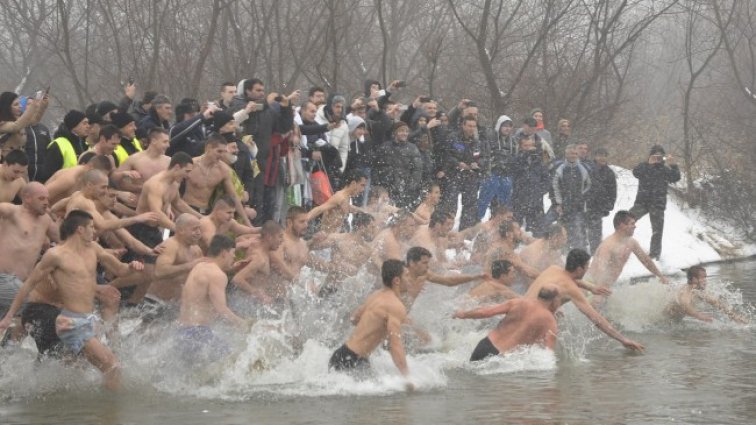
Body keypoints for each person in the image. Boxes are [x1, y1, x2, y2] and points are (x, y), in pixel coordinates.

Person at [0, 210, 145, 390]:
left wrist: (132, 266)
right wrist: (9, 316)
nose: (95, 231)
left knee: (75, 366)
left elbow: (121, 270)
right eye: (91, 227)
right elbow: (28, 285)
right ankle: (109, 413)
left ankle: (38, 393)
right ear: (80, 230)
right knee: (112, 367)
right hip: (64, 319)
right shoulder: (56, 255)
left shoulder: (94, 249)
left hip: (84, 319)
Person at [524, 249, 645, 352]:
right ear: (579, 269)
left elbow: (567, 279)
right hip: (532, 323)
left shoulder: (553, 269)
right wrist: (623, 339)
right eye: (587, 266)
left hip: (520, 309)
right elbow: (596, 318)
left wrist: (590, 287)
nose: (588, 269)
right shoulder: (571, 289)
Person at [329, 259, 414, 391]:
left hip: (342, 355)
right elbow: (395, 345)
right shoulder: (396, 306)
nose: (410, 279)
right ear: (397, 281)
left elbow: (354, 318)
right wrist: (408, 378)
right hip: (351, 362)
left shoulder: (376, 295)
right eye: (407, 275)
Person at [176, 234, 248, 362]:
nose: (234, 256)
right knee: (234, 361)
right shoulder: (218, 275)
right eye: (233, 253)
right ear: (224, 253)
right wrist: (244, 325)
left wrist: (232, 268)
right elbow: (221, 309)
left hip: (182, 331)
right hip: (198, 333)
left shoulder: (200, 266)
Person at [0, 183, 60, 321]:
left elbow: (66, 241)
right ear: (27, 198)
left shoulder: (46, 220)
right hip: (3, 278)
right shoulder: (12, 211)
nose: (46, 202)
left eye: (47, 199)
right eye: (41, 199)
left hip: (20, 282)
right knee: (33, 305)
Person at [454, 285, 561, 361]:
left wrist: (463, 314)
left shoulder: (518, 302)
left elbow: (486, 312)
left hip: (485, 345)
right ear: (555, 301)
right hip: (501, 360)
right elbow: (547, 356)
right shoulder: (551, 322)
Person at [584, 210, 669, 306]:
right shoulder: (608, 245)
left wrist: (660, 276)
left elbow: (645, 260)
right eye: (632, 224)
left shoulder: (631, 242)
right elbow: (601, 269)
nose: (635, 226)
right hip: (591, 286)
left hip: (604, 288)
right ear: (622, 225)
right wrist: (598, 291)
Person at [183, 134, 251, 226]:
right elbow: (174, 189)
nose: (221, 155)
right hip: (187, 209)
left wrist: (248, 224)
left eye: (224, 152)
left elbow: (234, 197)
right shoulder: (191, 165)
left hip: (206, 213)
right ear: (208, 148)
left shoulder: (223, 170)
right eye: (219, 151)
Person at [629, 145, 681, 260]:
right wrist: (648, 163)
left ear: (663, 157)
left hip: (658, 204)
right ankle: (620, 247)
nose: (657, 158)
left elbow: (676, 177)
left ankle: (654, 256)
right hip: (642, 202)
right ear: (650, 156)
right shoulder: (644, 166)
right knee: (626, 221)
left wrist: (673, 165)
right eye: (655, 155)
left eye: (660, 156)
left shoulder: (665, 170)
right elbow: (635, 172)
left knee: (657, 231)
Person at [402, 246, 485, 309]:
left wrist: (474, 277)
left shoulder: (424, 274)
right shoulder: (400, 278)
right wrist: (413, 295)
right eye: (424, 263)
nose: (428, 266)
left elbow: (448, 281)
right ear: (412, 263)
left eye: (428, 263)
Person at [230, 220, 285, 309]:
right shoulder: (259, 258)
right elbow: (237, 279)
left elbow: (241, 238)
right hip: (246, 304)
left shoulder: (259, 248)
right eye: (280, 237)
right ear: (269, 237)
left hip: (249, 302)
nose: (282, 241)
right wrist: (260, 295)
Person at [665, 265, 748, 324]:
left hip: (675, 322)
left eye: (706, 277)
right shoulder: (685, 291)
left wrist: (734, 316)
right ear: (694, 279)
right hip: (665, 323)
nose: (705, 280)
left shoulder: (698, 291)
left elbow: (716, 302)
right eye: (703, 277)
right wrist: (699, 316)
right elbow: (684, 304)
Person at [552, 144, 591, 251]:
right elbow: (555, 185)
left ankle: (580, 253)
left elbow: (589, 184)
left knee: (578, 229)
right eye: (570, 153)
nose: (573, 155)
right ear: (566, 154)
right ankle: (562, 251)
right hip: (564, 205)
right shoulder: (560, 168)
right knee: (562, 230)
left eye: (574, 153)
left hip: (578, 206)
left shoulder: (583, 168)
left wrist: (580, 196)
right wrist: (559, 203)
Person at [510, 135, 550, 238]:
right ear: (520, 147)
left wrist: (539, 191)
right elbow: (513, 172)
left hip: (535, 200)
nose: (529, 148)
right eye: (525, 145)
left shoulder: (539, 161)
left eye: (531, 145)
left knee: (535, 231)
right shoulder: (516, 159)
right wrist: (525, 156)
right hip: (519, 199)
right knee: (514, 228)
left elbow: (546, 179)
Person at [477, 115, 516, 220]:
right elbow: (484, 154)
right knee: (484, 200)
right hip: (491, 173)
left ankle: (501, 222)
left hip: (506, 175)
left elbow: (514, 157)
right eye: (505, 126)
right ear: (499, 126)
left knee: (504, 202)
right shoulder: (491, 138)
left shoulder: (513, 141)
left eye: (509, 126)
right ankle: (476, 221)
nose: (507, 129)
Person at [585, 147, 617, 254]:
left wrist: (609, 205)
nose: (602, 158)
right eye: (600, 155)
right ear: (595, 157)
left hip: (598, 207)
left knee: (595, 231)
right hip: (585, 204)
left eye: (604, 155)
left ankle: (595, 253)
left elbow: (612, 191)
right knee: (579, 229)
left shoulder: (609, 173)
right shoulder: (588, 169)